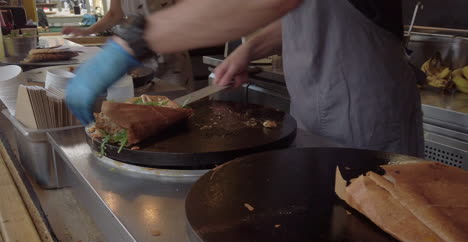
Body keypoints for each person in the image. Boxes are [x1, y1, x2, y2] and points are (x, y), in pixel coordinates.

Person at [66, 0, 424, 157]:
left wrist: (131, 42)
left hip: (365, 109)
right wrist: (246, 51)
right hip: (317, 101)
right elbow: (295, 14)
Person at [62, 0, 193, 90]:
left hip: (171, 50)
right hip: (139, 53)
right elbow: (115, 14)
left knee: (179, 101)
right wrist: (87, 31)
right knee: (144, 102)